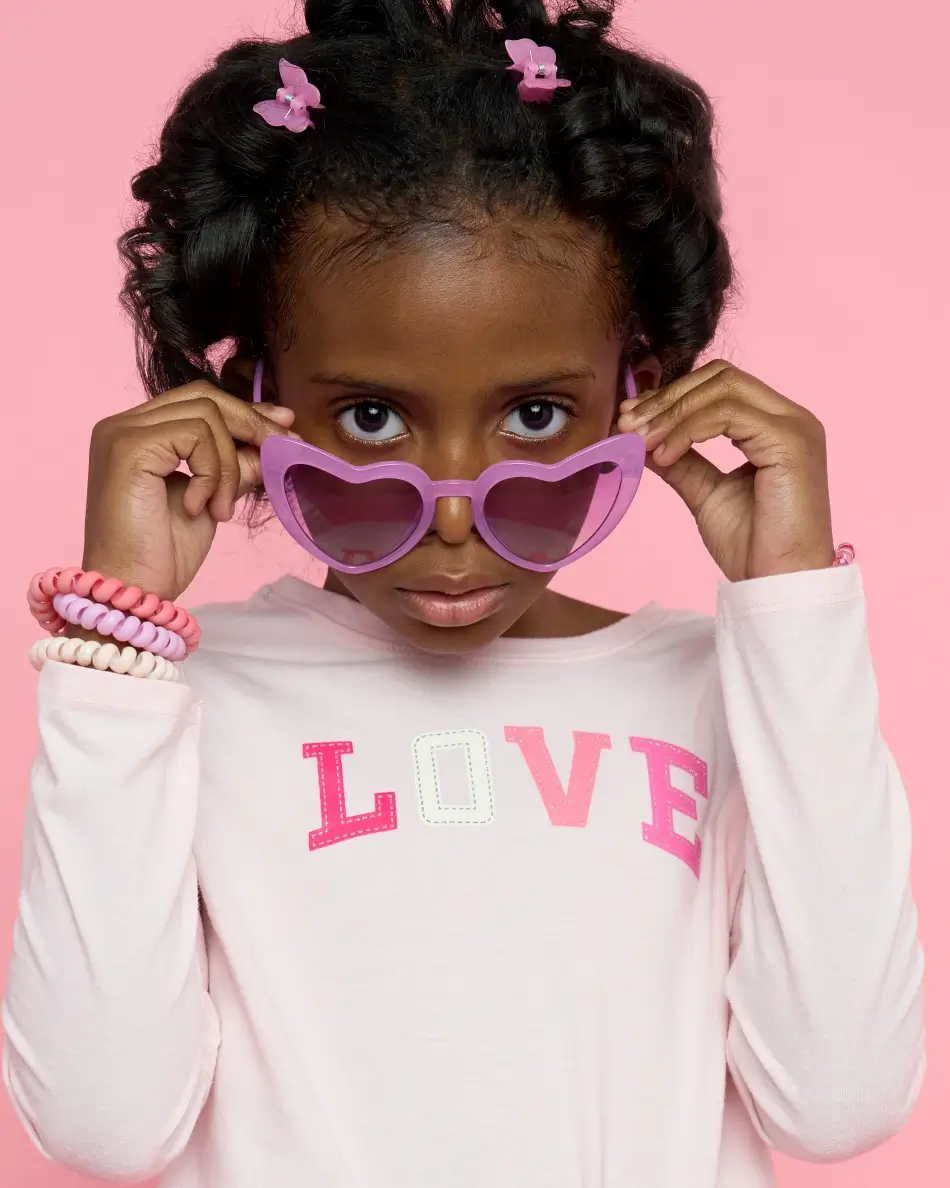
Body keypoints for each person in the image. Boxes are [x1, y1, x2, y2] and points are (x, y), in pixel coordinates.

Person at [2, 1, 925, 1186]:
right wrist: (113, 648)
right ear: (259, 393)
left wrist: (793, 614)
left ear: (633, 391)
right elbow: (102, 1124)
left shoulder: (715, 689)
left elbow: (836, 1102)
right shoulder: (181, 700)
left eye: (534, 416)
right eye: (371, 417)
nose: (448, 511)